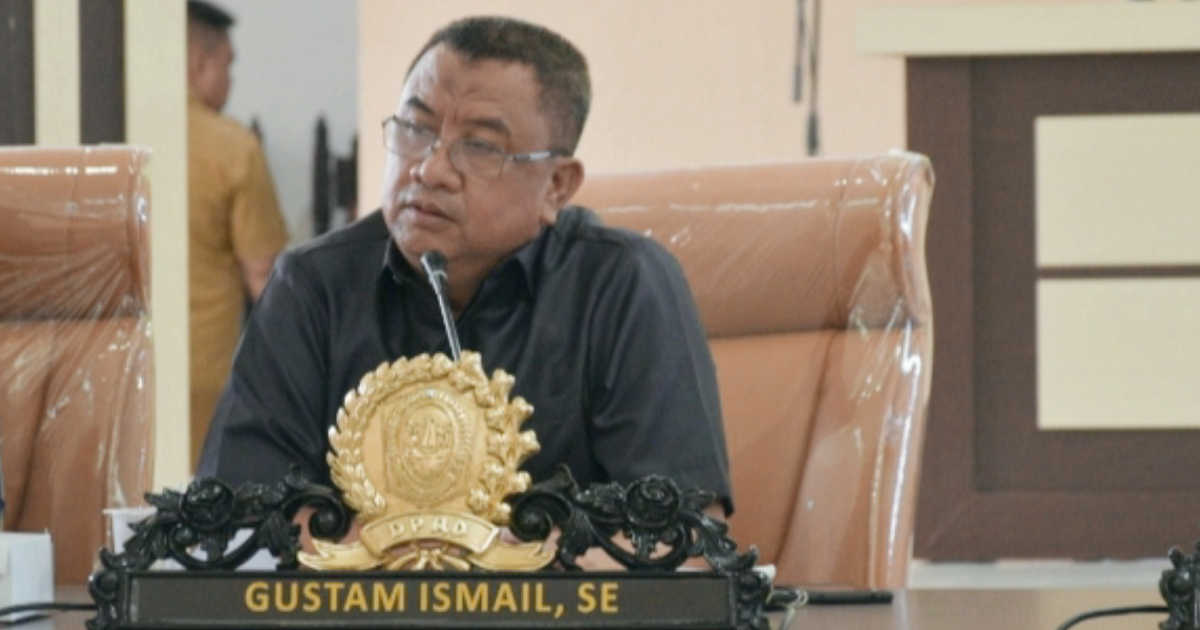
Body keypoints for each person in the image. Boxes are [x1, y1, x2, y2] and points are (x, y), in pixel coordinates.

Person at [198, 16, 731, 518]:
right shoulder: (313, 285)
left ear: (556, 186)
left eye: (479, 146)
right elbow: (238, 517)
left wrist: (493, 563)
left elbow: (683, 538)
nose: (430, 169)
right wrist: (414, 559)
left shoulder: (623, 287)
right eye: (414, 128)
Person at [187, 0, 289, 467]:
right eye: (227, 66)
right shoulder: (233, 147)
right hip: (206, 373)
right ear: (200, 61)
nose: (230, 81)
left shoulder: (124, 134)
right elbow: (265, 276)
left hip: (122, 362)